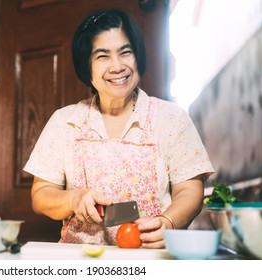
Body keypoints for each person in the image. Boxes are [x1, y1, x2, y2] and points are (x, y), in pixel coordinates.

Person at [23, 8, 214, 248]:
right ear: (86, 66)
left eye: (125, 52)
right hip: (80, 260)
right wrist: (74, 198)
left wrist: (169, 222)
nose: (117, 66)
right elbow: (41, 195)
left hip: (150, 257)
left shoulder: (171, 118)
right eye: (102, 56)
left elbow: (190, 190)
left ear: (138, 56)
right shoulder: (65, 122)